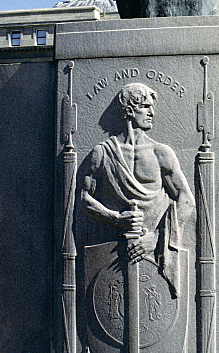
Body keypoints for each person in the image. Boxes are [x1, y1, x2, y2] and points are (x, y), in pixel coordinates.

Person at [81, 83, 195, 295]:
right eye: (145, 106)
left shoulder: (161, 153)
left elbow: (186, 199)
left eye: (151, 107)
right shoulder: (103, 153)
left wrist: (158, 237)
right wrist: (115, 218)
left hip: (152, 248)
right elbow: (84, 198)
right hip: (113, 251)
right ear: (130, 110)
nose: (152, 113)